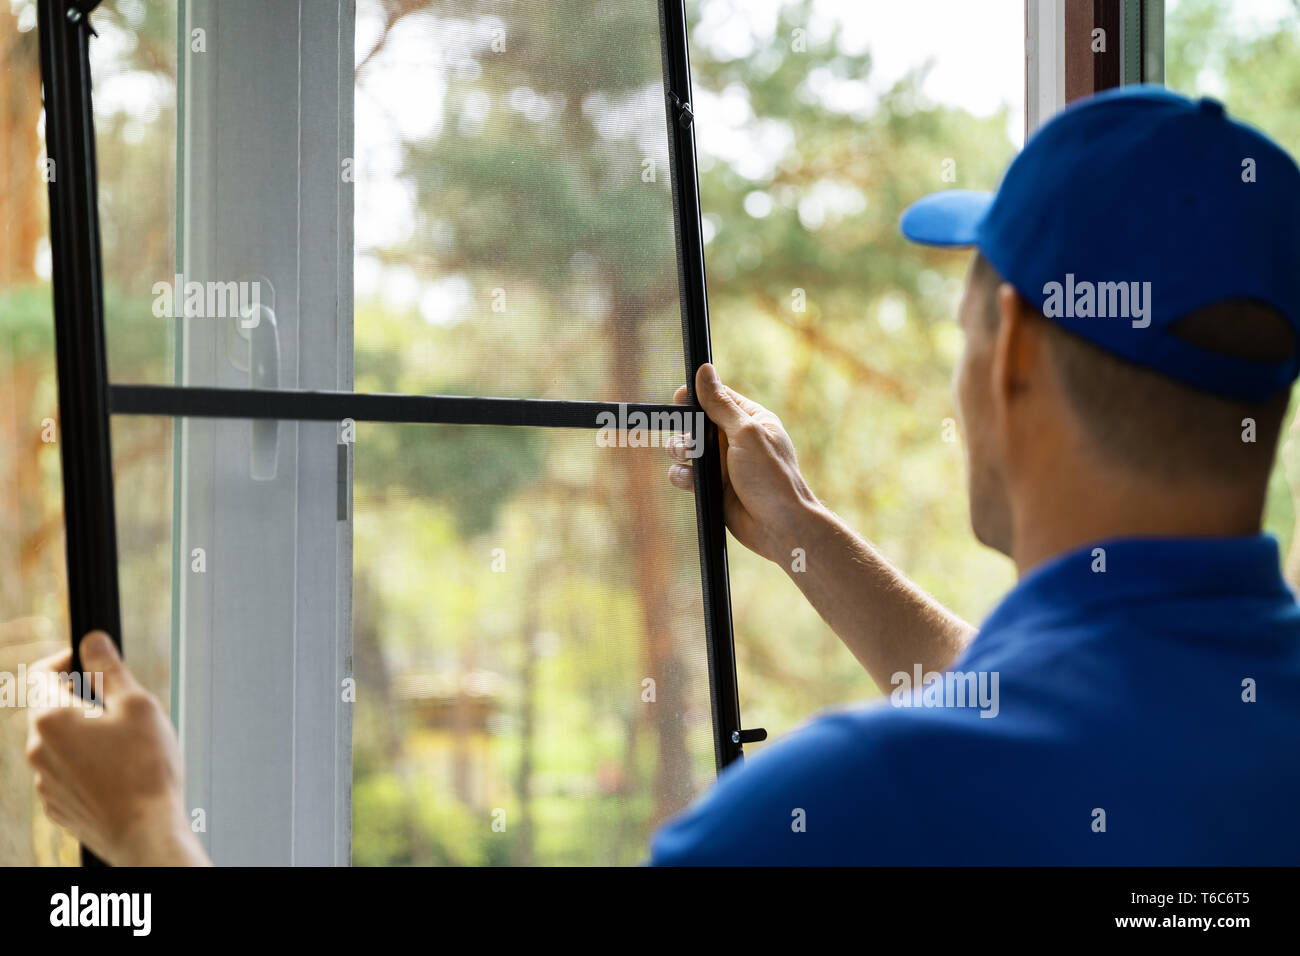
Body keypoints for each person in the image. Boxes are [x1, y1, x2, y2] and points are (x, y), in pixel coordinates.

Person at [27, 86, 1300, 865]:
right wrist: (803, 534)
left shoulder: (841, 818)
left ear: (1011, 345)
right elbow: (1068, 723)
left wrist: (147, 838)